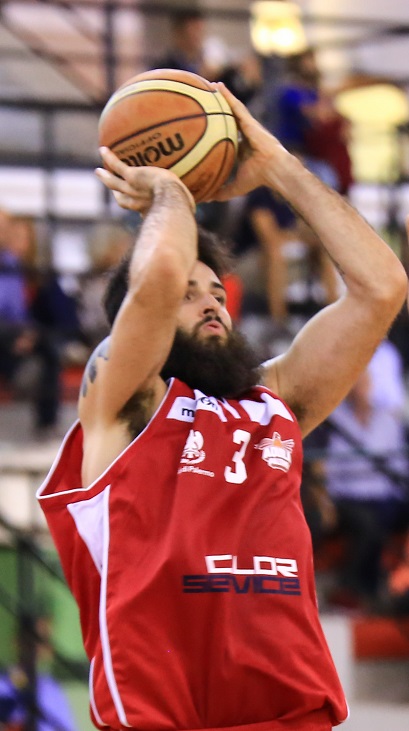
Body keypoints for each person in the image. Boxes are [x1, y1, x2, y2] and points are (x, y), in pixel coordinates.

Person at [36, 84, 407, 731]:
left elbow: (382, 287)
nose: (211, 301)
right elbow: (155, 279)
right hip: (169, 717)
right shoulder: (123, 401)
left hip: (293, 716)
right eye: (189, 294)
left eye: (216, 291)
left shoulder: (273, 402)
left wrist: (278, 168)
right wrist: (171, 190)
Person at [322, 339, 409, 609]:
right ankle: (357, 588)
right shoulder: (333, 421)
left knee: (383, 516)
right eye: (356, 382)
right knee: (368, 523)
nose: (361, 387)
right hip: (348, 497)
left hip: (387, 495)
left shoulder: (388, 419)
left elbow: (399, 467)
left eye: (365, 381)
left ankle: (396, 587)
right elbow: (331, 473)